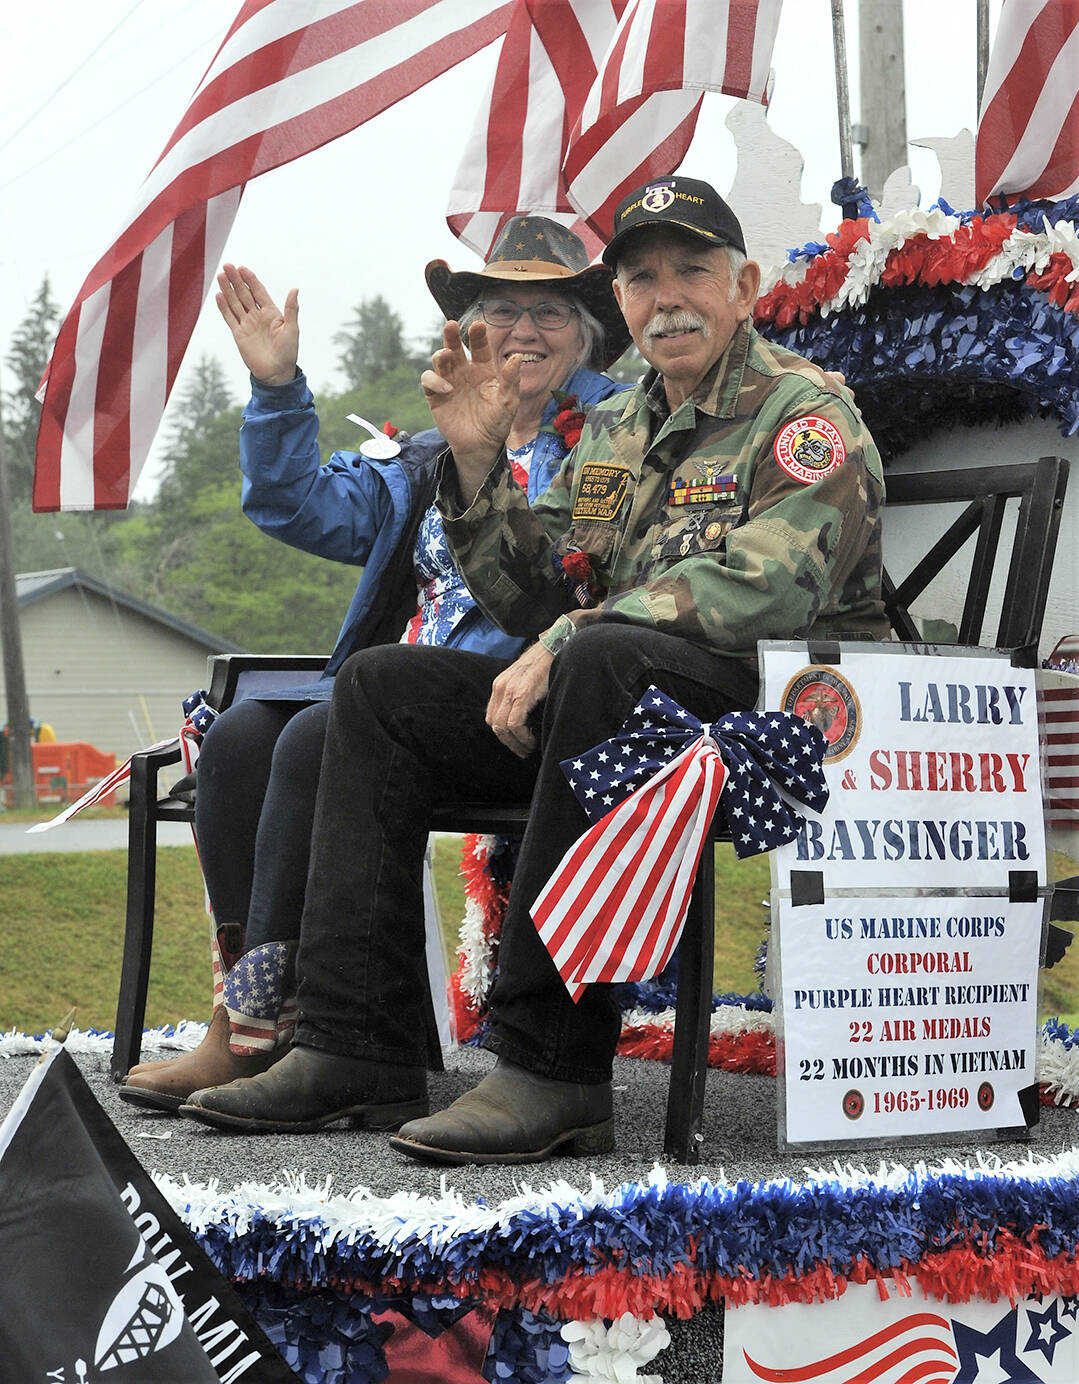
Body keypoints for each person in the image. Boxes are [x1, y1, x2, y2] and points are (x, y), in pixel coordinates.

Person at [178, 176, 889, 1161]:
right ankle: (357, 1046)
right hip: (625, 712)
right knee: (381, 686)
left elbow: (767, 589)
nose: (667, 294)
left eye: (692, 269)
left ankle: (551, 1064)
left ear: (747, 285)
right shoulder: (620, 426)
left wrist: (565, 638)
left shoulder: (803, 414)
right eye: (642, 277)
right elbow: (544, 590)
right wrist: (474, 469)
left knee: (601, 655)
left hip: (774, 718)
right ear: (626, 302)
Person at [120, 216, 631, 1112]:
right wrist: (276, 386)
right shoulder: (430, 452)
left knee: (322, 729)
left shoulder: (613, 440)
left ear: (585, 334)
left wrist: (498, 461)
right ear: (468, 332)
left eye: (548, 312)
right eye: (500, 311)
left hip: (522, 702)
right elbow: (300, 508)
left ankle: (304, 1028)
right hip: (390, 698)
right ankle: (251, 1019)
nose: (521, 332)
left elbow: (582, 589)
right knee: (241, 736)